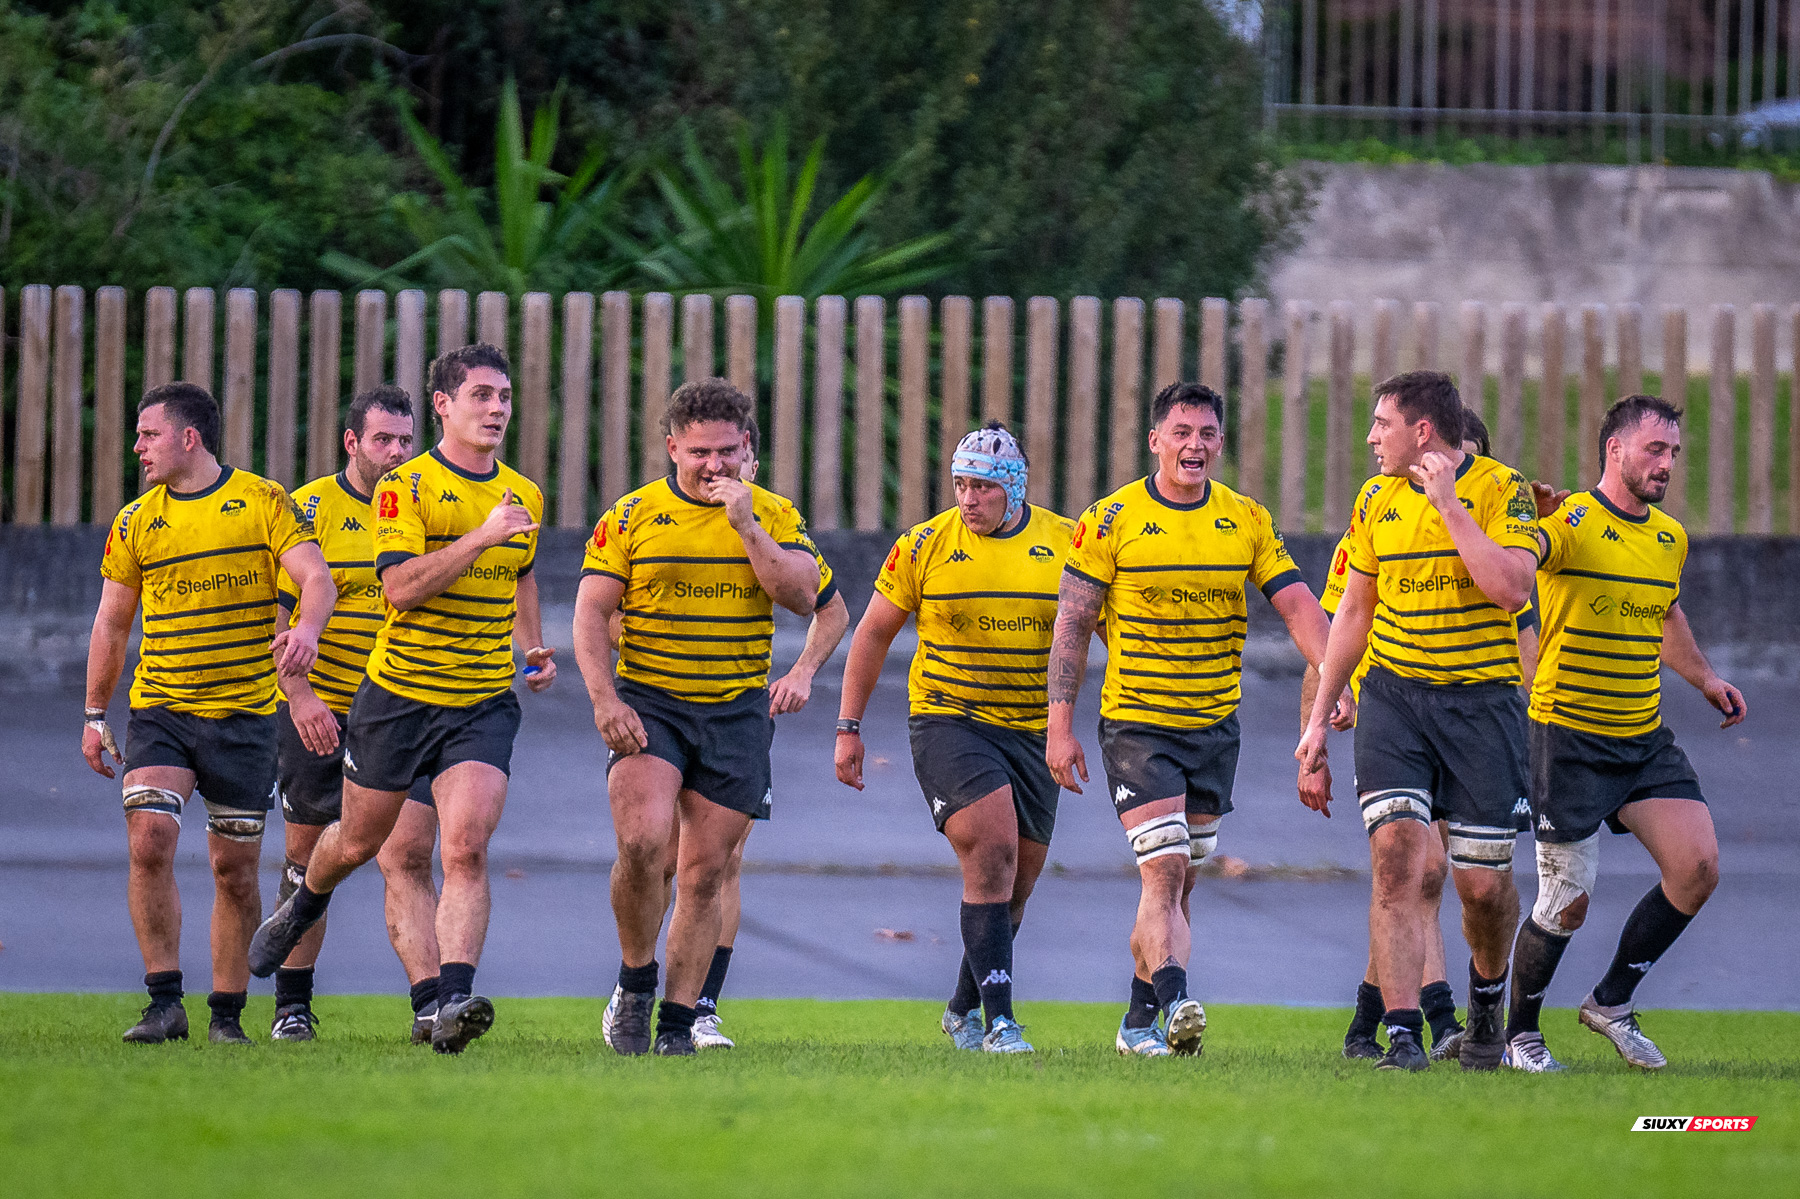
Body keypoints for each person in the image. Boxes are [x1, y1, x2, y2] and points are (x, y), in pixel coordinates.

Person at [248, 343, 557, 1056]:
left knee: (468, 846)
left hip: (481, 700)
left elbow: (525, 573)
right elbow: (400, 587)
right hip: (399, 697)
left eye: (504, 395)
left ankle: (449, 1002)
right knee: (359, 842)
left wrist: (533, 646)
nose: (497, 408)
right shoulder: (405, 489)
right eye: (481, 394)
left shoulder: (525, 493)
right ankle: (307, 899)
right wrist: (481, 535)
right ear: (444, 405)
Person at [1048, 382, 1330, 1057]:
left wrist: (1334, 681)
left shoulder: (1246, 519)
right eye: (1181, 432)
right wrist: (1059, 727)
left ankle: (1140, 1020)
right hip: (1138, 723)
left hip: (1214, 726)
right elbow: (1073, 625)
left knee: (1182, 880)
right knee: (1165, 867)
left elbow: (1298, 607)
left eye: (1206, 433)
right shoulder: (1110, 519)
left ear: (1220, 442)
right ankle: (1176, 998)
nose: (1194, 445)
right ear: (1155, 440)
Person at [1295, 370, 1539, 1072]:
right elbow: (1353, 612)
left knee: (1484, 887)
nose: (1371, 437)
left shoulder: (1502, 489)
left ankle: (1487, 1002)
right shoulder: (1375, 498)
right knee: (1397, 859)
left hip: (1482, 706)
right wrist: (1317, 719)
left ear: (1423, 430)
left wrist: (1451, 507)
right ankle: (1402, 1032)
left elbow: (1511, 588)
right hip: (1396, 701)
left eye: (1381, 423)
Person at [574, 378, 821, 1056]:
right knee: (644, 842)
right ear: (671, 447)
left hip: (735, 711)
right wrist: (604, 698)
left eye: (726, 452)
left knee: (706, 872)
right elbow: (592, 611)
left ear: (747, 448)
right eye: (699, 453)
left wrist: (745, 525)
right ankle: (634, 980)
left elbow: (804, 595)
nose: (713, 466)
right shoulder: (631, 515)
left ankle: (678, 1025)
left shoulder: (771, 511)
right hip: (651, 702)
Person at [82, 382, 334, 1045]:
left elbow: (316, 577)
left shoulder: (262, 500)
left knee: (233, 868)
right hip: (162, 706)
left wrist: (306, 630)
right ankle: (164, 1002)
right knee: (150, 839)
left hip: (245, 718)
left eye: (147, 434)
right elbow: (112, 623)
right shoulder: (135, 521)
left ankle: (226, 1015)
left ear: (189, 437)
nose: (138, 448)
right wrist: (92, 712)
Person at [1501, 396, 1745, 1072]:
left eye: (1671, 451)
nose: (1666, 463)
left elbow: (1665, 616)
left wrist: (1704, 678)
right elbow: (1517, 564)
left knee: (1698, 867)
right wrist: (1527, 514)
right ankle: (1520, 1033)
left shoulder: (1669, 537)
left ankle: (1611, 1000)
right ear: (1614, 449)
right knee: (1566, 901)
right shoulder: (1572, 521)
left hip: (1642, 737)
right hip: (1569, 735)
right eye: (1653, 449)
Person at [835, 421, 1073, 1054]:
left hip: (1032, 733)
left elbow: (1102, 632)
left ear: (1015, 489)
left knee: (1017, 884)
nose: (968, 500)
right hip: (949, 719)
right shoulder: (924, 545)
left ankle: (964, 1008)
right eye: (961, 485)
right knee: (991, 853)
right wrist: (848, 728)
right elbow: (872, 634)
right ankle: (1001, 1023)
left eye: (984, 488)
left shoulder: (1066, 544)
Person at [268, 385, 440, 1042]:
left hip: (404, 707)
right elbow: (277, 618)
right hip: (324, 705)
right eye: (383, 440)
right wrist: (301, 695)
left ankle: (430, 1005)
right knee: (308, 853)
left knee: (409, 853)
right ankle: (292, 1004)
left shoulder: (427, 498)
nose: (397, 453)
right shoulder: (308, 507)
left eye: (406, 439)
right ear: (352, 442)